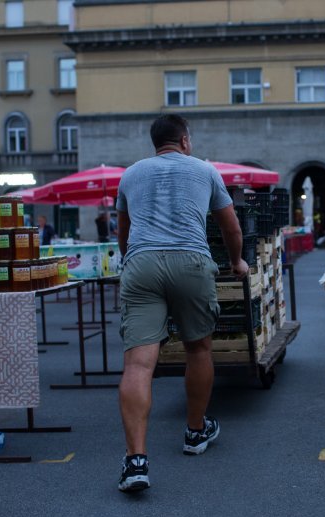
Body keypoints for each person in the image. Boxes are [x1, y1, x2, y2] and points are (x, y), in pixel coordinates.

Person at [115, 114, 248, 493]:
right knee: (198, 349)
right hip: (191, 261)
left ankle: (135, 461)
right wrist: (237, 260)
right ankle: (194, 431)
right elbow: (231, 227)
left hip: (141, 264)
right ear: (185, 141)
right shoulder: (205, 171)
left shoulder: (131, 175)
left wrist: (134, 261)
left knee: (138, 363)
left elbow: (123, 232)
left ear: (154, 143)